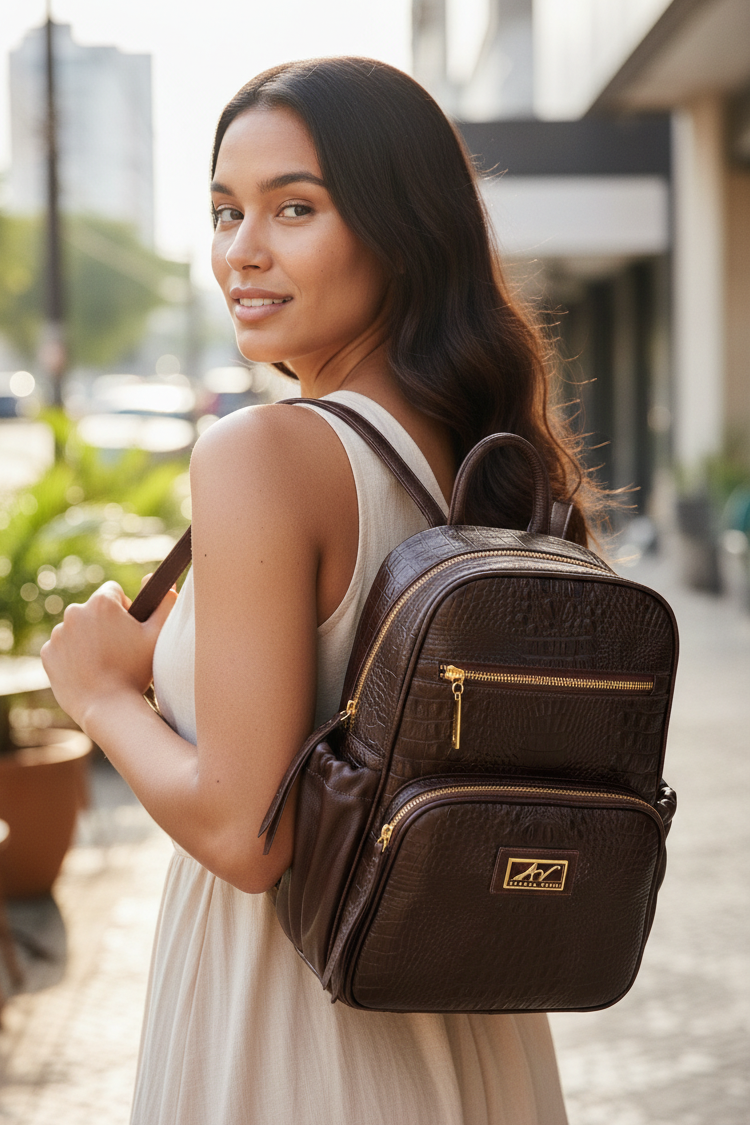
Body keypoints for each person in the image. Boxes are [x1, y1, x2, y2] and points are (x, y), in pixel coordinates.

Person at [41, 57, 599, 1125]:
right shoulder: (482, 461)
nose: (240, 252)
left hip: (298, 1024)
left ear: (400, 229)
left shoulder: (265, 453)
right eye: (223, 211)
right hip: (467, 1025)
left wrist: (102, 695)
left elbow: (247, 837)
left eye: (294, 208)